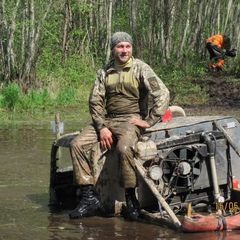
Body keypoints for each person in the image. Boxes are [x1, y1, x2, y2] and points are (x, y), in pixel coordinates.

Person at [68, 32, 170, 220]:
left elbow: (162, 93)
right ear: (113, 49)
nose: (124, 50)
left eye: (127, 46)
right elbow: (95, 101)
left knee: (124, 148)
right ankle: (89, 198)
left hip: (130, 120)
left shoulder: (141, 68)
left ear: (131, 48)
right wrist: (101, 127)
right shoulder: (104, 72)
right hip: (108, 120)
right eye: (120, 46)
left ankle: (131, 200)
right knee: (77, 144)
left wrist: (149, 120)